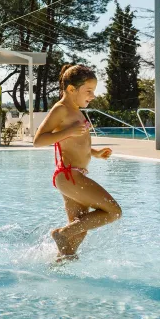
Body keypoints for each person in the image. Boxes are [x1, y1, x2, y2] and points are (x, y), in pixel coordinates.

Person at [34, 65, 122, 261]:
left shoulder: (76, 111)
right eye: (88, 91)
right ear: (71, 89)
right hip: (68, 175)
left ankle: (59, 268)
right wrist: (67, 132)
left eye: (94, 91)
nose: (93, 96)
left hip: (73, 175)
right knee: (113, 211)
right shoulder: (61, 109)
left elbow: (75, 143)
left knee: (78, 232)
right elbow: (38, 140)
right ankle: (60, 234)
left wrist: (95, 153)